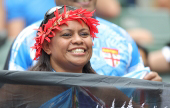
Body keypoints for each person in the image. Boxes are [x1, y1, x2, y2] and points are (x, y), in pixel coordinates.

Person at [5, 0, 161, 82]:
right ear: (46, 46)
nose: (78, 40)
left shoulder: (121, 37)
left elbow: (140, 107)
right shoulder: (27, 38)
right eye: (66, 35)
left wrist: (150, 92)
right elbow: (12, 103)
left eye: (85, 34)